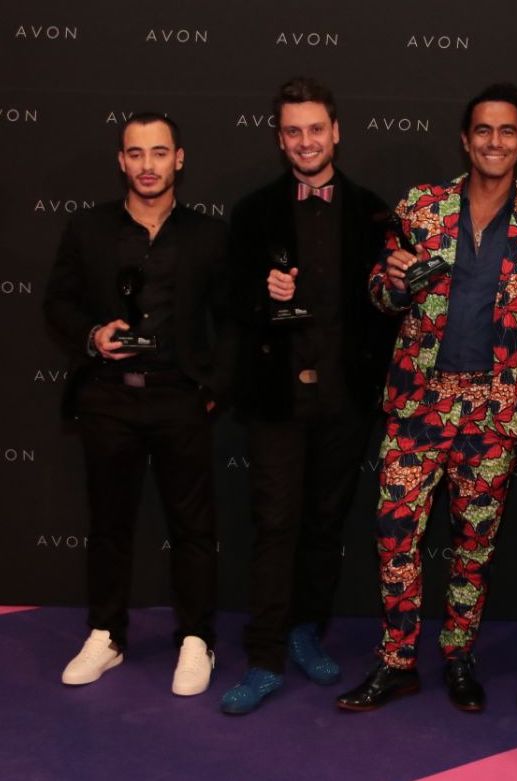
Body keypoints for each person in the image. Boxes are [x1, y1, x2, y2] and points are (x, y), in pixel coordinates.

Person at [336, 83, 517, 714]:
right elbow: (380, 294)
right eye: (483, 130)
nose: (494, 142)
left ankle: (459, 655)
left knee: (475, 546)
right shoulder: (420, 206)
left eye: (506, 131)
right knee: (395, 536)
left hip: (496, 414)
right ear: (466, 140)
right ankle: (396, 662)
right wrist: (391, 282)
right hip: (418, 405)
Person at [220, 77, 394, 714]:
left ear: (336, 132)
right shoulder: (254, 211)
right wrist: (263, 296)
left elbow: (388, 307)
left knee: (325, 524)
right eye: (293, 131)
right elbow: (229, 300)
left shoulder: (372, 211)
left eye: (315, 128)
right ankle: (264, 656)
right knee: (275, 526)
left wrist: (398, 285)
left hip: (345, 401)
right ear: (279, 139)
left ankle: (305, 630)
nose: (305, 141)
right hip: (277, 401)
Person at [44, 113, 232, 696]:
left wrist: (211, 389)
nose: (147, 165)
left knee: (194, 528)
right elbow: (57, 302)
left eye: (159, 152)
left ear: (179, 159)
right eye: (136, 153)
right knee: (108, 525)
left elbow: (231, 320)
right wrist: (92, 335)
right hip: (108, 398)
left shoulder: (209, 235)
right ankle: (106, 634)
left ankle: (196, 639)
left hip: (180, 399)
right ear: (121, 161)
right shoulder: (87, 229)